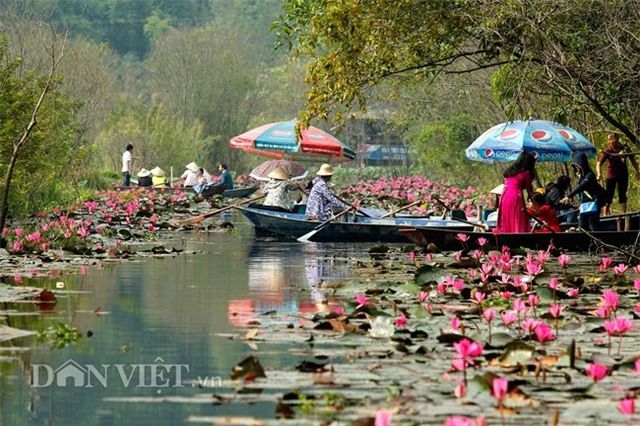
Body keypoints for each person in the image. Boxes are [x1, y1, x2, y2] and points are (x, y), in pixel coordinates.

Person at [561, 152, 607, 231]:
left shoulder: (590, 175)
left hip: (593, 204)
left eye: (578, 166)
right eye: (575, 167)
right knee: (582, 226)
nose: (577, 168)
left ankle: (597, 241)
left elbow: (582, 187)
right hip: (584, 206)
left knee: (593, 225)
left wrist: (569, 196)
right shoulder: (582, 177)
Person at [596, 134, 640, 215]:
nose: (611, 141)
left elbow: (632, 159)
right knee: (609, 195)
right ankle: (605, 215)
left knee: (622, 194)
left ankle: (623, 214)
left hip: (623, 174)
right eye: (609, 140)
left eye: (612, 139)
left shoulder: (624, 147)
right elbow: (599, 163)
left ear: (617, 138)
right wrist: (599, 174)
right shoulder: (608, 150)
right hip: (611, 175)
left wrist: (637, 171)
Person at [497, 152, 536, 233]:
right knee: (518, 220)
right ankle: (518, 241)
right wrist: (535, 205)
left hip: (505, 196)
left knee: (507, 219)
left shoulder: (510, 171)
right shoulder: (526, 173)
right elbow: (530, 191)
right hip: (515, 196)